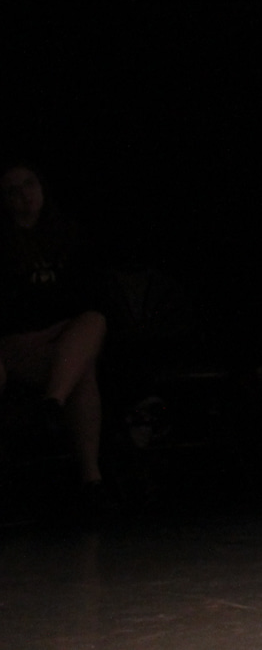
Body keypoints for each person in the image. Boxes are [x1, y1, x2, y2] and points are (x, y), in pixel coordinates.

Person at [0, 162, 109, 504]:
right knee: (82, 369)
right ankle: (92, 479)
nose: (24, 196)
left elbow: (85, 297)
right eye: (13, 191)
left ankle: (54, 402)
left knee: (94, 324)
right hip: (18, 344)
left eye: (29, 185)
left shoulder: (67, 234)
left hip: (63, 338)